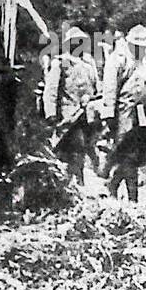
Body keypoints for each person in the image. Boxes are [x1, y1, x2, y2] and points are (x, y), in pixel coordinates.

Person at [101, 24, 146, 202]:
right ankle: (131, 196)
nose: (141, 50)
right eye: (138, 46)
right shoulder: (117, 58)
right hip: (124, 112)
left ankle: (113, 183)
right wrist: (109, 116)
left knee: (137, 152)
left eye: (144, 47)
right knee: (127, 152)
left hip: (142, 112)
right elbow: (110, 89)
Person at [43, 25, 100, 182]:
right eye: (75, 42)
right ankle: (71, 183)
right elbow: (51, 90)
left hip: (87, 116)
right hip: (68, 116)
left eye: (81, 41)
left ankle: (76, 182)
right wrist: (51, 114)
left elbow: (96, 87)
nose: (78, 44)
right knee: (75, 147)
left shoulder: (89, 64)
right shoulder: (60, 63)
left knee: (85, 149)